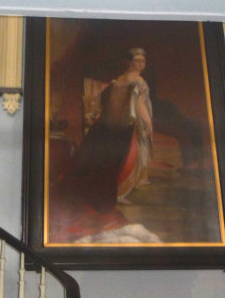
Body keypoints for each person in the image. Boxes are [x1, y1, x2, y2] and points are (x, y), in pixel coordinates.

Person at [48, 48, 154, 242]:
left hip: (103, 130)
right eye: (137, 60)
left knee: (101, 166)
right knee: (107, 166)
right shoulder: (137, 81)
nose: (140, 64)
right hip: (116, 130)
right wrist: (149, 124)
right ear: (131, 62)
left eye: (143, 60)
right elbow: (140, 105)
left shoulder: (118, 80)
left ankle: (98, 200)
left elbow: (105, 103)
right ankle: (101, 204)